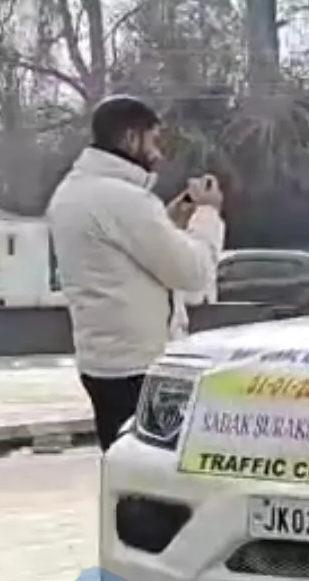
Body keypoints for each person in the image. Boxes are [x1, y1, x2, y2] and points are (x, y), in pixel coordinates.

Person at [46, 96, 226, 451]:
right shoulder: (125, 199)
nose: (157, 153)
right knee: (158, 468)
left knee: (122, 462)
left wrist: (169, 223)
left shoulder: (71, 192)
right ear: (131, 138)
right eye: (153, 140)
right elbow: (193, 273)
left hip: (101, 362)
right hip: (145, 367)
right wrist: (208, 214)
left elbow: (123, 258)